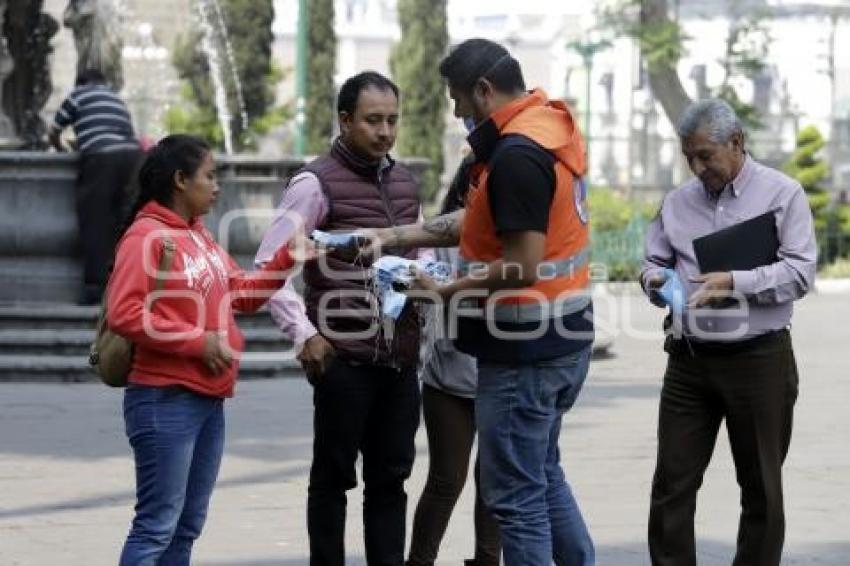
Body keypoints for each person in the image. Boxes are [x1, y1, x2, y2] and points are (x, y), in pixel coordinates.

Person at [361, 38, 596, 566]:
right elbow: (489, 220)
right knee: (542, 473)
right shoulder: (546, 129)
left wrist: (443, 291)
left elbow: (522, 264)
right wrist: (397, 237)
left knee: (514, 498)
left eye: (457, 99)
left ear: (484, 91)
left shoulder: (517, 155)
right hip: (563, 335)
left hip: (523, 350)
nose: (455, 111)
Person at [108, 134, 316, 565]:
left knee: (186, 526)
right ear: (181, 180)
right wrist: (198, 341)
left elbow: (240, 293)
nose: (217, 185)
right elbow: (125, 313)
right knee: (156, 526)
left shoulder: (199, 236)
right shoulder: (146, 237)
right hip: (164, 400)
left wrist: (285, 260)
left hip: (206, 400)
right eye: (210, 176)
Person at [254, 71, 422, 566]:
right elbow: (269, 267)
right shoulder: (314, 183)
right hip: (342, 359)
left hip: (399, 360)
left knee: (391, 480)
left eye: (392, 120)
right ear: (345, 121)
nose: (385, 131)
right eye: (373, 120)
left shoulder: (406, 181)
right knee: (332, 479)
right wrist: (305, 336)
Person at [641, 99, 816, 565]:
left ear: (736, 143)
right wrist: (653, 281)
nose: (698, 167)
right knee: (671, 485)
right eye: (689, 158)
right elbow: (653, 260)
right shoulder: (677, 202)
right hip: (689, 362)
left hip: (759, 361)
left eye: (706, 155)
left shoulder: (783, 194)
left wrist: (736, 283)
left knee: (760, 488)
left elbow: (800, 274)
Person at [407, 155, 501, 566]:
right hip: (450, 379)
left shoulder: (519, 240)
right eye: (478, 188)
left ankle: (486, 560)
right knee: (446, 480)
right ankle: (420, 560)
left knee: (495, 481)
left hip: (502, 377)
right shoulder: (446, 244)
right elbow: (427, 282)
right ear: (464, 192)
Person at [49, 68, 142, 305]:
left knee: (95, 220)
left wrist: (61, 148)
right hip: (133, 158)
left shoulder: (78, 94)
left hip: (101, 158)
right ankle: (131, 286)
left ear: (81, 82)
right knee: (125, 221)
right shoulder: (116, 99)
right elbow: (124, 134)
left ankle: (95, 288)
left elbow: (54, 130)